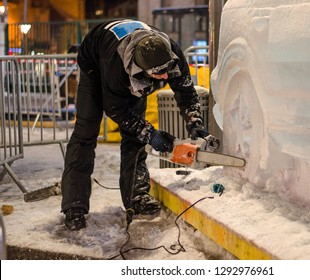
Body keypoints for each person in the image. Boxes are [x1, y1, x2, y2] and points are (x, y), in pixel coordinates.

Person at [61, 19, 209, 231]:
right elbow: (116, 110)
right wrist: (151, 134)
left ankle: (136, 196)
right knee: (86, 133)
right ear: (141, 69)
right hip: (95, 61)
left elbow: (185, 91)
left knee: (135, 139)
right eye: (159, 73)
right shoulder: (114, 68)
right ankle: (74, 206)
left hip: (129, 65)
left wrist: (195, 122)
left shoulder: (171, 54)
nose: (166, 76)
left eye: (168, 70)